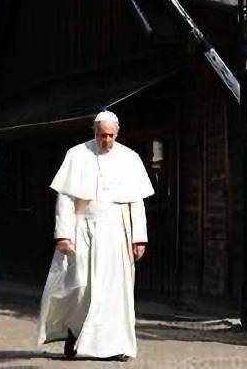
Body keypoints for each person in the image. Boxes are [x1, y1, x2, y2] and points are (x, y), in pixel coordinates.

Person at [37, 111, 153, 361]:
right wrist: (63, 235)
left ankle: (116, 345)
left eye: (111, 135)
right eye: (102, 135)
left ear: (117, 133)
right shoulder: (77, 155)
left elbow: (136, 202)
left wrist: (138, 238)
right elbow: (65, 199)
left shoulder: (130, 158)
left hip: (117, 233)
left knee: (115, 290)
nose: (107, 140)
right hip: (83, 229)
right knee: (80, 287)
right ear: (94, 131)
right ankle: (74, 333)